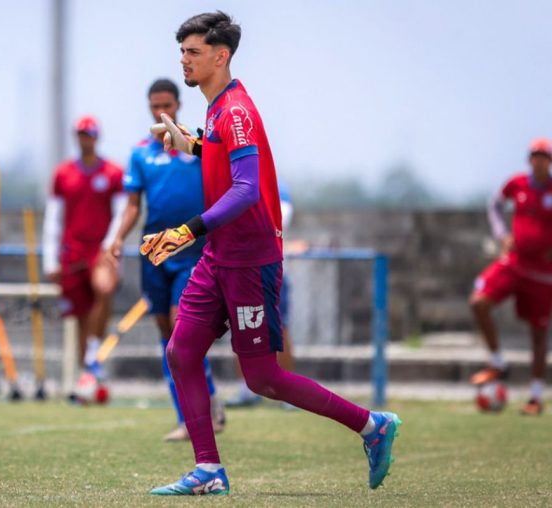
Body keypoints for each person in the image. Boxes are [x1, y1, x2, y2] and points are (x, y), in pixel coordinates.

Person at [141, 12, 401, 495]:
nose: (184, 61)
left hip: (250, 261)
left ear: (221, 56)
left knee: (263, 378)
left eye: (193, 52)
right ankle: (208, 471)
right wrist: (191, 143)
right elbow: (222, 157)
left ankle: (372, 425)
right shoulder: (218, 111)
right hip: (220, 256)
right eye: (182, 52)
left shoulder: (236, 111)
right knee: (181, 351)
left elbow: (246, 190)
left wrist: (187, 230)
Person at [107, 78, 225, 440]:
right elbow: (132, 205)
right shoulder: (140, 153)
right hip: (154, 254)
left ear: (178, 106)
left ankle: (193, 418)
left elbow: (221, 183)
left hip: (192, 250)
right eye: (155, 106)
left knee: (180, 327)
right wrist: (116, 239)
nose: (162, 112)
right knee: (166, 332)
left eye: (168, 106)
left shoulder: (194, 146)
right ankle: (203, 403)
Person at [470, 137, 552, 416]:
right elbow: (494, 204)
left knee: (539, 333)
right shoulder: (516, 184)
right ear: (529, 159)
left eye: (544, 156)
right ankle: (497, 363)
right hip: (514, 263)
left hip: (542, 272)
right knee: (479, 301)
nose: (539, 160)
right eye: (535, 155)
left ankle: (535, 396)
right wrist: (502, 235)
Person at [42, 116, 125, 381]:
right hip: (72, 251)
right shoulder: (63, 174)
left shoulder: (113, 173)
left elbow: (122, 212)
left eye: (88, 134)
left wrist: (110, 244)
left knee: (105, 288)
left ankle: (92, 349)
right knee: (79, 316)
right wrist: (50, 261)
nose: (84, 139)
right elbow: (53, 218)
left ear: (96, 137)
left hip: (100, 250)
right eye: (80, 134)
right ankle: (86, 376)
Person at [226, 184, 298, 409]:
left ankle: (288, 393)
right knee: (240, 327)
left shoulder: (275, 187)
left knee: (279, 328)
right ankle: (246, 389)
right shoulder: (228, 185)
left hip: (268, 269)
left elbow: (280, 219)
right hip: (238, 269)